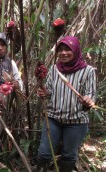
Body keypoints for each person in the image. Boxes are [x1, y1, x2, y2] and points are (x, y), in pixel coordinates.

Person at [36, 36, 96, 172]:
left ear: (75, 50)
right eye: (60, 50)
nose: (63, 53)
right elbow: (49, 90)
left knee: (69, 156)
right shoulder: (54, 69)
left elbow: (91, 94)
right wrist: (45, 92)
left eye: (67, 49)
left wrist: (88, 99)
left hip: (77, 121)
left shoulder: (88, 71)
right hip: (53, 118)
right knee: (44, 153)